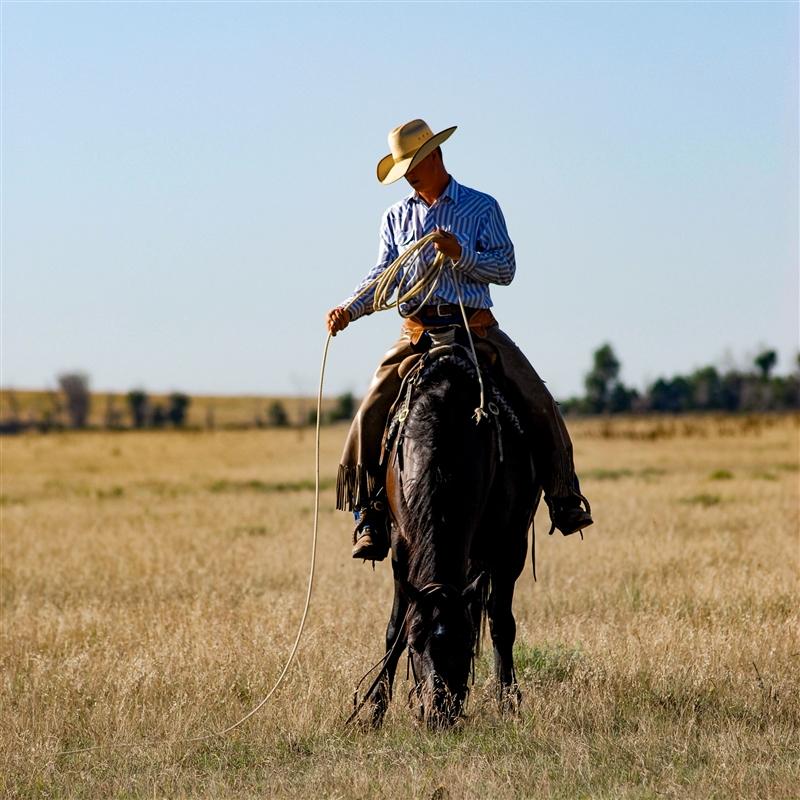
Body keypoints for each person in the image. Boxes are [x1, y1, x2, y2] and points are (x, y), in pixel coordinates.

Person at [326, 119, 592, 561]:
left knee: (538, 401)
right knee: (369, 410)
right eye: (402, 167)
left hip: (476, 330)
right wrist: (349, 310)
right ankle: (369, 514)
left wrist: (460, 255)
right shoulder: (396, 217)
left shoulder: (480, 207)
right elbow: (383, 277)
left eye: (412, 163)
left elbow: (505, 268)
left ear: (435, 156)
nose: (407, 173)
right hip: (417, 335)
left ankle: (563, 496)